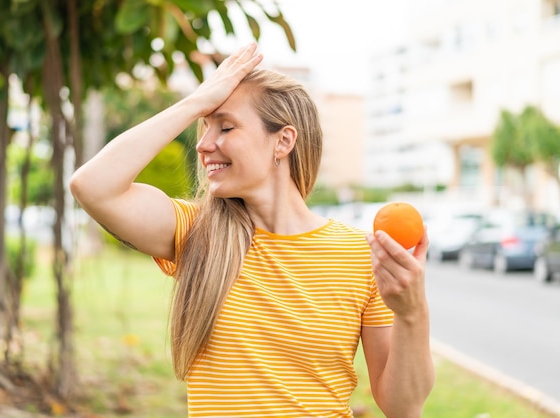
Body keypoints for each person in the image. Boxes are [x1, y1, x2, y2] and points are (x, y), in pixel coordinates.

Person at [70, 43, 435, 417]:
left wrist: (412, 313)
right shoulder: (196, 234)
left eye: (225, 126)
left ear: (283, 141)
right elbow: (93, 185)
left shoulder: (359, 254)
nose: (203, 144)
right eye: (204, 126)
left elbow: (403, 407)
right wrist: (196, 102)